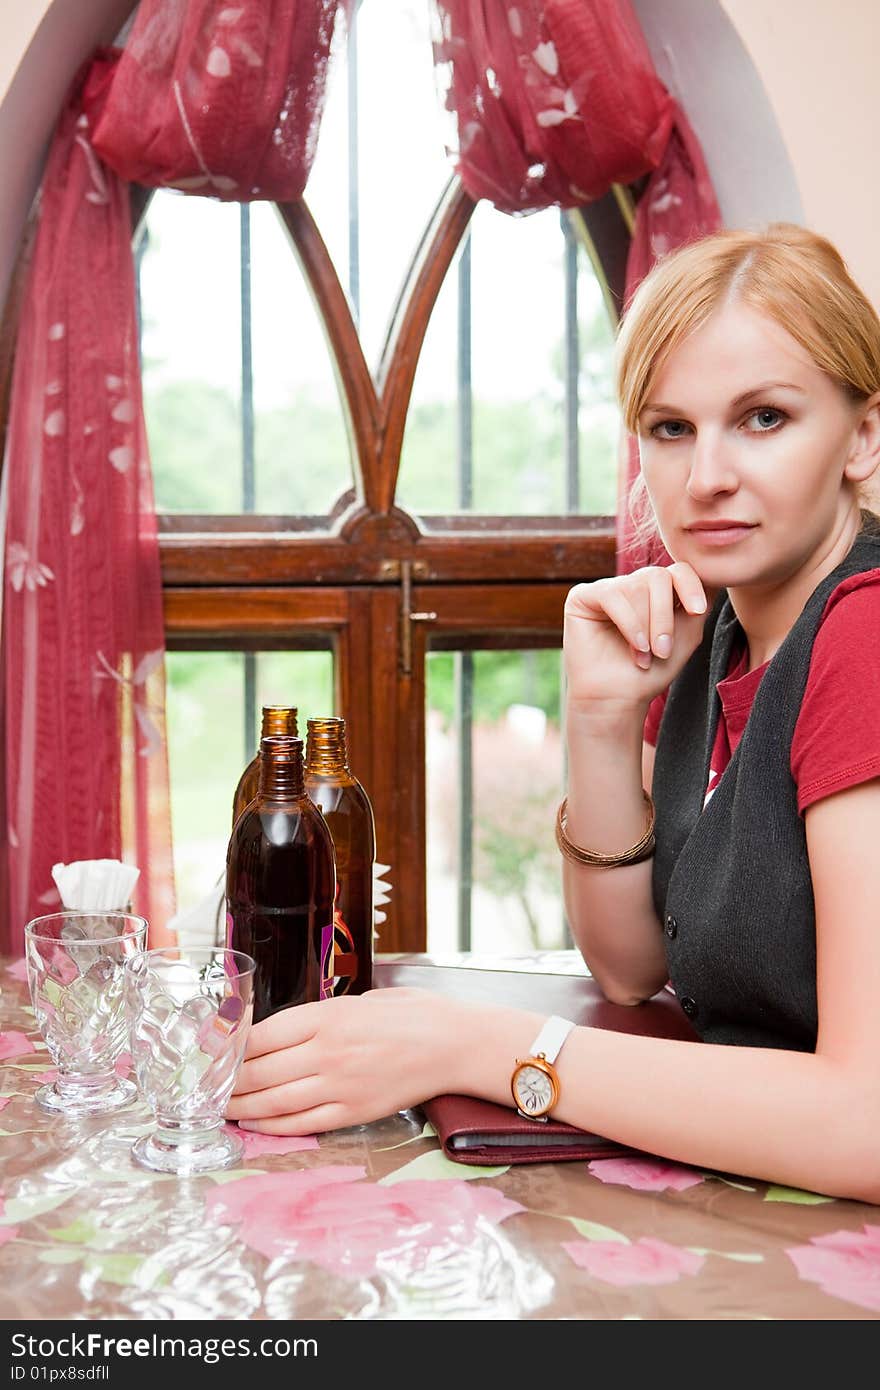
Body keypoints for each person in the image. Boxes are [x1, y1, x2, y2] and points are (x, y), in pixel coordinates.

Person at [226, 223, 880, 1204]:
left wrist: (482, 1045)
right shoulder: (724, 626)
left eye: (763, 418)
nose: (704, 477)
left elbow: (863, 1126)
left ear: (863, 436)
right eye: (669, 428)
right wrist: (601, 716)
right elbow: (631, 970)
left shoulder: (862, 634)